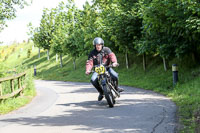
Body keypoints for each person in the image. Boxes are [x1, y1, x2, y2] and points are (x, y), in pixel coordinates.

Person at [85, 37, 124, 101]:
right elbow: (89, 62)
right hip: (97, 70)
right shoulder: (92, 53)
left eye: (99, 45)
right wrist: (88, 70)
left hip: (107, 68)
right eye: (97, 45)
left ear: (102, 45)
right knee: (93, 80)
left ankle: (116, 88)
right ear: (95, 46)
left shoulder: (106, 49)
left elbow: (112, 55)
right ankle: (101, 92)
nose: (98, 46)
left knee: (115, 75)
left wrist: (114, 62)